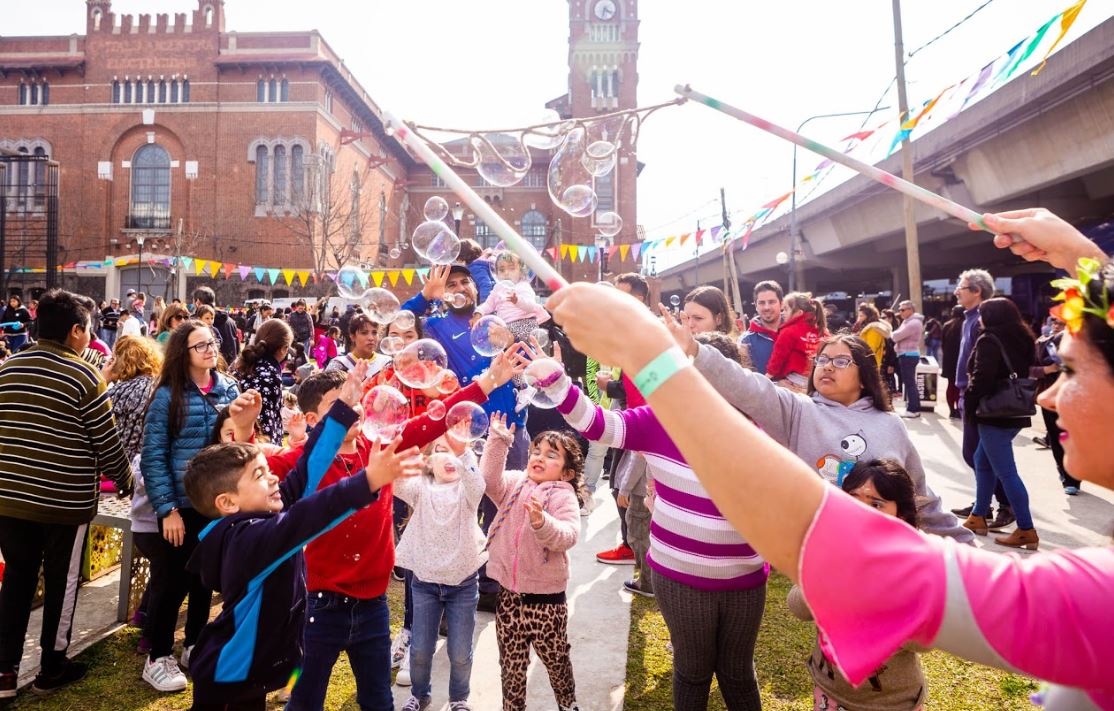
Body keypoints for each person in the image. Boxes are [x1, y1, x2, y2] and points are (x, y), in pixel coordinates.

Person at [546, 207, 1114, 709]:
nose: (1047, 395)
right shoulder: (1092, 600)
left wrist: (651, 358)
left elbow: (832, 535)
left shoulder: (1093, 604)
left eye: (1069, 370)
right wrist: (1085, 263)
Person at [278, 350, 521, 711]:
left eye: (355, 401)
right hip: (322, 603)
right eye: (340, 404)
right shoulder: (302, 462)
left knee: (378, 700)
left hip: (374, 604)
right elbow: (252, 478)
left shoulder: (379, 446)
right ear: (314, 419)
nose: (355, 409)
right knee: (305, 698)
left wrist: (487, 382)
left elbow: (431, 423)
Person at [540, 331, 768, 710]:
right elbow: (598, 423)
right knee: (693, 671)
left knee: (738, 673)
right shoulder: (660, 420)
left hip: (745, 576)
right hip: (682, 576)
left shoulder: (760, 423)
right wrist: (556, 381)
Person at [183, 380, 421, 711]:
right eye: (258, 476)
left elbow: (305, 471)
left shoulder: (263, 514)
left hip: (250, 672)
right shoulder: (249, 540)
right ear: (227, 502)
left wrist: (341, 410)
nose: (272, 479)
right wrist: (367, 480)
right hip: (228, 678)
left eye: (268, 471)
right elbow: (307, 517)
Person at [0, 290, 132, 698]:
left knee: (17, 580)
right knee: (63, 580)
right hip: (63, 504)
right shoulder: (84, 377)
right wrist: (127, 480)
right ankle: (51, 667)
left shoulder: (8, 369)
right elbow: (107, 444)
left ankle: (4, 674)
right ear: (76, 332)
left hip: (10, 499)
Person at [402, 263, 527, 612]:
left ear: (476, 287)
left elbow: (530, 356)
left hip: (509, 428)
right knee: (456, 507)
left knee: (503, 505)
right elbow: (398, 323)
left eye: (464, 282)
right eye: (450, 284)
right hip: (460, 431)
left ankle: (493, 584)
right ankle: (452, 591)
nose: (458, 288)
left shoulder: (501, 317)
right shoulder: (435, 326)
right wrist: (426, 296)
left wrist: (515, 337)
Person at [140, 322, 240, 692]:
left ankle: (196, 644)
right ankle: (158, 656)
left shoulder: (229, 387)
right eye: (200, 346)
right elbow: (153, 456)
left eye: (211, 343)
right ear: (184, 353)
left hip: (219, 504)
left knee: (207, 580)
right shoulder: (168, 395)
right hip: (181, 505)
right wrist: (167, 509)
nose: (210, 349)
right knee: (172, 582)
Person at [787, 459, 927, 711]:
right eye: (853, 498)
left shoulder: (911, 565)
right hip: (829, 693)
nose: (861, 511)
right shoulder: (830, 546)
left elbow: (924, 642)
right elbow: (797, 607)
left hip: (891, 703)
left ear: (901, 514)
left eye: (876, 504)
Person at [481, 415, 584, 711]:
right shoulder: (515, 483)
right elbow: (489, 482)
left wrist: (541, 522)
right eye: (536, 451)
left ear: (566, 474)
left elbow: (567, 536)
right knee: (511, 668)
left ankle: (568, 704)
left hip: (546, 603)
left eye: (551, 455)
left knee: (556, 661)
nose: (539, 457)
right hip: (509, 600)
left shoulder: (563, 497)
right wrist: (498, 441)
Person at [393, 436, 487, 711]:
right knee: (420, 651)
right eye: (441, 452)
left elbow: (477, 484)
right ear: (429, 466)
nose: (449, 458)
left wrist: (464, 452)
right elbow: (397, 481)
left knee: (459, 652)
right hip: (425, 584)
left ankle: (459, 698)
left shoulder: (466, 491)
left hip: (463, 585)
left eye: (454, 453)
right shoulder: (420, 488)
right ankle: (420, 695)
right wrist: (398, 447)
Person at [960, 297, 1039, 549]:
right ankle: (978, 516)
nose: (980, 319)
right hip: (1013, 410)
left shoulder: (989, 339)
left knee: (1006, 472)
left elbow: (982, 378)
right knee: (982, 461)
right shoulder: (1023, 337)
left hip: (993, 412)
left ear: (991, 316)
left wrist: (970, 407)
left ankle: (1026, 529)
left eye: (982, 314)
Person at [949, 268, 1014, 530]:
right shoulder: (969, 318)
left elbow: (985, 364)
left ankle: (1005, 504)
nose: (956, 292)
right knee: (977, 455)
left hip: (978, 396)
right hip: (968, 393)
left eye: (961, 288)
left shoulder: (983, 319)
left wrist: (973, 394)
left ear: (977, 291)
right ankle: (982, 504)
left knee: (979, 455)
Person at [1033, 316, 1080, 494]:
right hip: (1050, 395)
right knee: (1055, 436)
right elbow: (1030, 368)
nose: (1056, 326)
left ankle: (1073, 477)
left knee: (1071, 437)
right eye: (1054, 322)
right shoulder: (1042, 343)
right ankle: (1065, 473)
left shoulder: (1080, 344)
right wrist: (1047, 369)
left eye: (1061, 323)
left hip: (1074, 397)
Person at [233, 319, 293, 443]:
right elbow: (269, 419)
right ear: (284, 348)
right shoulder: (271, 374)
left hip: (236, 435)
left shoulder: (240, 364)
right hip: (260, 442)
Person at [477, 250, 550, 344]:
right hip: (505, 326)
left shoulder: (523, 286)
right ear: (497, 273)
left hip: (524, 323)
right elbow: (488, 304)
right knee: (497, 347)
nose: (506, 273)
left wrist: (517, 300)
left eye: (511, 268)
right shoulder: (498, 288)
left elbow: (530, 307)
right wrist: (479, 312)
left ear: (521, 271)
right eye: (502, 270)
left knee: (522, 347)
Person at [766, 291, 826, 389]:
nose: (783, 313)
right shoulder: (822, 330)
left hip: (795, 380)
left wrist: (768, 376)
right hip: (818, 380)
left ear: (799, 313)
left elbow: (778, 357)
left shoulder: (788, 331)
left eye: (785, 309)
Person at [739, 280, 782, 374]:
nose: (767, 307)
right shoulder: (746, 340)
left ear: (781, 304)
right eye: (762, 303)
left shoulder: (799, 331)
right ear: (756, 306)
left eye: (771, 302)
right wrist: (777, 385)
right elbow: (748, 379)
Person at [891, 300, 925, 419]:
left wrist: (893, 334)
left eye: (902, 309)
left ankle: (913, 409)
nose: (900, 312)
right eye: (899, 309)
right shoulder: (909, 321)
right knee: (910, 383)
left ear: (910, 310)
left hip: (908, 355)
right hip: (907, 354)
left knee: (910, 383)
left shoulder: (913, 323)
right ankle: (914, 408)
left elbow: (896, 336)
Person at [193, 287, 239, 364]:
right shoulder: (230, 321)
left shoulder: (194, 322)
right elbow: (236, 347)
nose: (210, 321)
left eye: (211, 318)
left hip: (206, 367)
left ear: (197, 302)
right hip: (229, 367)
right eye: (207, 318)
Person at [940, 305, 965, 419]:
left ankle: (951, 410)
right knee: (961, 386)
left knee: (951, 385)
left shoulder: (947, 325)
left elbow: (943, 344)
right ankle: (960, 410)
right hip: (962, 359)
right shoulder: (965, 325)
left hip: (949, 360)